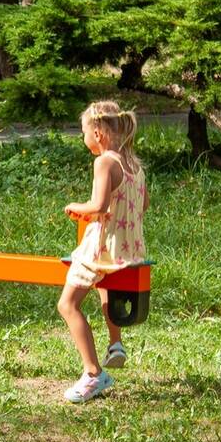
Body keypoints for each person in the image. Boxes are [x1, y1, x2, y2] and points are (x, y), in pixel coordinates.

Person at [58, 100, 149, 402]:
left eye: (83, 131)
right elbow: (144, 205)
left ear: (97, 132)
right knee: (104, 285)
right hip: (129, 250)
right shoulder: (134, 165)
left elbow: (98, 207)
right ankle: (116, 344)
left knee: (68, 305)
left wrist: (76, 208)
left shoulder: (105, 162)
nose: (83, 137)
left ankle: (93, 374)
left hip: (103, 249)